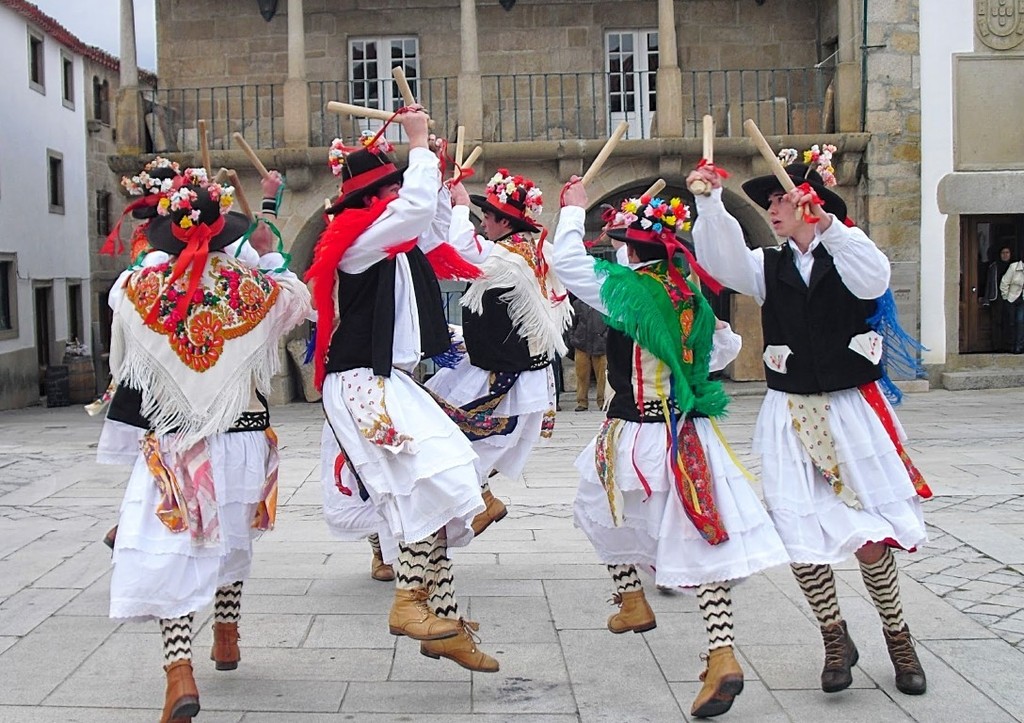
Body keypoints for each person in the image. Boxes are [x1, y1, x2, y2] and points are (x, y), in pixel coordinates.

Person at [688, 150, 931, 697]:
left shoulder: (848, 253)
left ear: (809, 203)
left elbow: (875, 280)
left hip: (851, 409)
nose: (772, 208)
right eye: (769, 200)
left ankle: (899, 637)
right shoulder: (768, 266)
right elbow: (724, 259)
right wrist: (709, 204)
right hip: (791, 411)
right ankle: (834, 639)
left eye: (780, 198)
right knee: (802, 539)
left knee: (870, 536)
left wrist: (832, 225)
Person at [553, 178, 790, 719]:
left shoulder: (626, 288)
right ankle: (714, 647)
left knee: (599, 509)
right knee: (698, 543)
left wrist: (572, 211)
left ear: (631, 249)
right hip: (691, 434)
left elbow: (567, 264)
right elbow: (719, 351)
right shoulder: (691, 296)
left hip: (636, 432)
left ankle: (640, 604)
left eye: (619, 241)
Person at [106, 169, 311, 722]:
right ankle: (226, 635)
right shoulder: (259, 290)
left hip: (178, 445)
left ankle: (179, 672)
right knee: (233, 544)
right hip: (242, 440)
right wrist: (264, 253)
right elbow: (300, 297)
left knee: (173, 552)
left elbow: (121, 299)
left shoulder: (136, 290)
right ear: (225, 233)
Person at [307, 109, 502, 673]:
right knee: (432, 480)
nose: (400, 195)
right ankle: (408, 603)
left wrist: (435, 171)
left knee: (453, 478)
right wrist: (416, 143)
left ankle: (441, 618)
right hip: (361, 384)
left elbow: (434, 225)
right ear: (371, 199)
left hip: (390, 381)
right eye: (391, 187)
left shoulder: (394, 242)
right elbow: (414, 211)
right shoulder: (361, 241)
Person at [429, 168, 571, 534]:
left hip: (506, 377)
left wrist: (459, 205)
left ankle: (475, 508)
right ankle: (482, 503)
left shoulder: (507, 257)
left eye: (486, 217)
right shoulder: (536, 251)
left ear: (502, 221)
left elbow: (462, 248)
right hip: (513, 369)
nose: (482, 223)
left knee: (457, 444)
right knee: (451, 436)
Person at [569, 296, 608, 411]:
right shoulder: (577, 304)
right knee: (581, 374)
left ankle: (602, 401)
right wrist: (573, 338)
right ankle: (582, 402)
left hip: (601, 343)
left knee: (602, 375)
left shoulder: (605, 303)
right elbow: (572, 323)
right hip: (581, 342)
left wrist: (606, 337)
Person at [984, 246, 1012, 352]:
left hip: (1011, 298)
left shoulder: (1014, 267)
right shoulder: (994, 267)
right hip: (997, 298)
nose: (1005, 255)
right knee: (997, 322)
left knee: (1009, 322)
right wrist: (986, 299)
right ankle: (997, 346)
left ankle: (1009, 345)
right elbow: (989, 283)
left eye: (1007, 252)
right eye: (1003, 252)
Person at [999, 253, 1024, 354]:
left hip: (1022, 299)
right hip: (1012, 298)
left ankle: (1019, 346)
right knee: (1011, 322)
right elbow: (1004, 283)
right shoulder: (1014, 267)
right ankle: (1010, 345)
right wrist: (1006, 297)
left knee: (1020, 321)